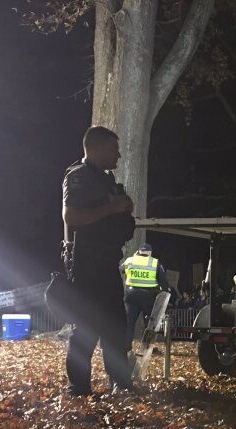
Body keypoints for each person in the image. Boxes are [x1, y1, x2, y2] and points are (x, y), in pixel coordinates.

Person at [62, 126, 136, 396]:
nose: (118, 155)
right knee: (86, 327)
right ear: (96, 148)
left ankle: (120, 383)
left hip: (106, 262)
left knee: (116, 325)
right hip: (87, 264)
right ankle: (78, 387)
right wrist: (113, 207)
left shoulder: (106, 180)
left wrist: (124, 212)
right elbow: (71, 217)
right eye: (113, 149)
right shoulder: (78, 176)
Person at [120, 242, 170, 351]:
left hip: (130, 295)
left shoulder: (129, 260)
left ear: (138, 251)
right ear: (150, 252)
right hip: (148, 296)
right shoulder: (155, 262)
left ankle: (126, 347)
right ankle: (147, 347)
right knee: (149, 324)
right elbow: (164, 282)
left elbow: (120, 270)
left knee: (129, 323)